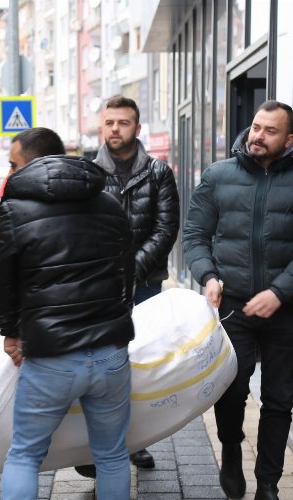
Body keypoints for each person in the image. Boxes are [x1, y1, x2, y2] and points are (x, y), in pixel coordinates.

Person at [182, 100, 293, 500]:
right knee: (231, 390)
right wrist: (209, 276)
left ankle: (269, 482)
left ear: (289, 139)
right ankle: (231, 448)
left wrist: (280, 292)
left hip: (285, 309)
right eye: (255, 127)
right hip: (231, 304)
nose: (257, 136)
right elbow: (195, 234)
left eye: (269, 131)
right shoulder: (218, 175)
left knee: (279, 400)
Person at [0, 127, 136, 500]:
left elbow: (1, 283)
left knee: (25, 456)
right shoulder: (109, 203)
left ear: (34, 163)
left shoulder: (14, 211)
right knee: (113, 455)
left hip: (51, 356)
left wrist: (10, 331)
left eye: (13, 164)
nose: (10, 172)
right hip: (110, 353)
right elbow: (127, 272)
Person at [92, 95, 180, 470]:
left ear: (136, 128)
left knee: (141, 361)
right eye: (110, 122)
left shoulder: (158, 172)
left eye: (123, 122)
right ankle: (98, 442)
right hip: (100, 285)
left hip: (145, 285)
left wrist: (133, 270)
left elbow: (165, 229)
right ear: (102, 126)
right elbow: (83, 229)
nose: (115, 129)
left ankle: (136, 441)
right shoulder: (88, 172)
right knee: (102, 364)